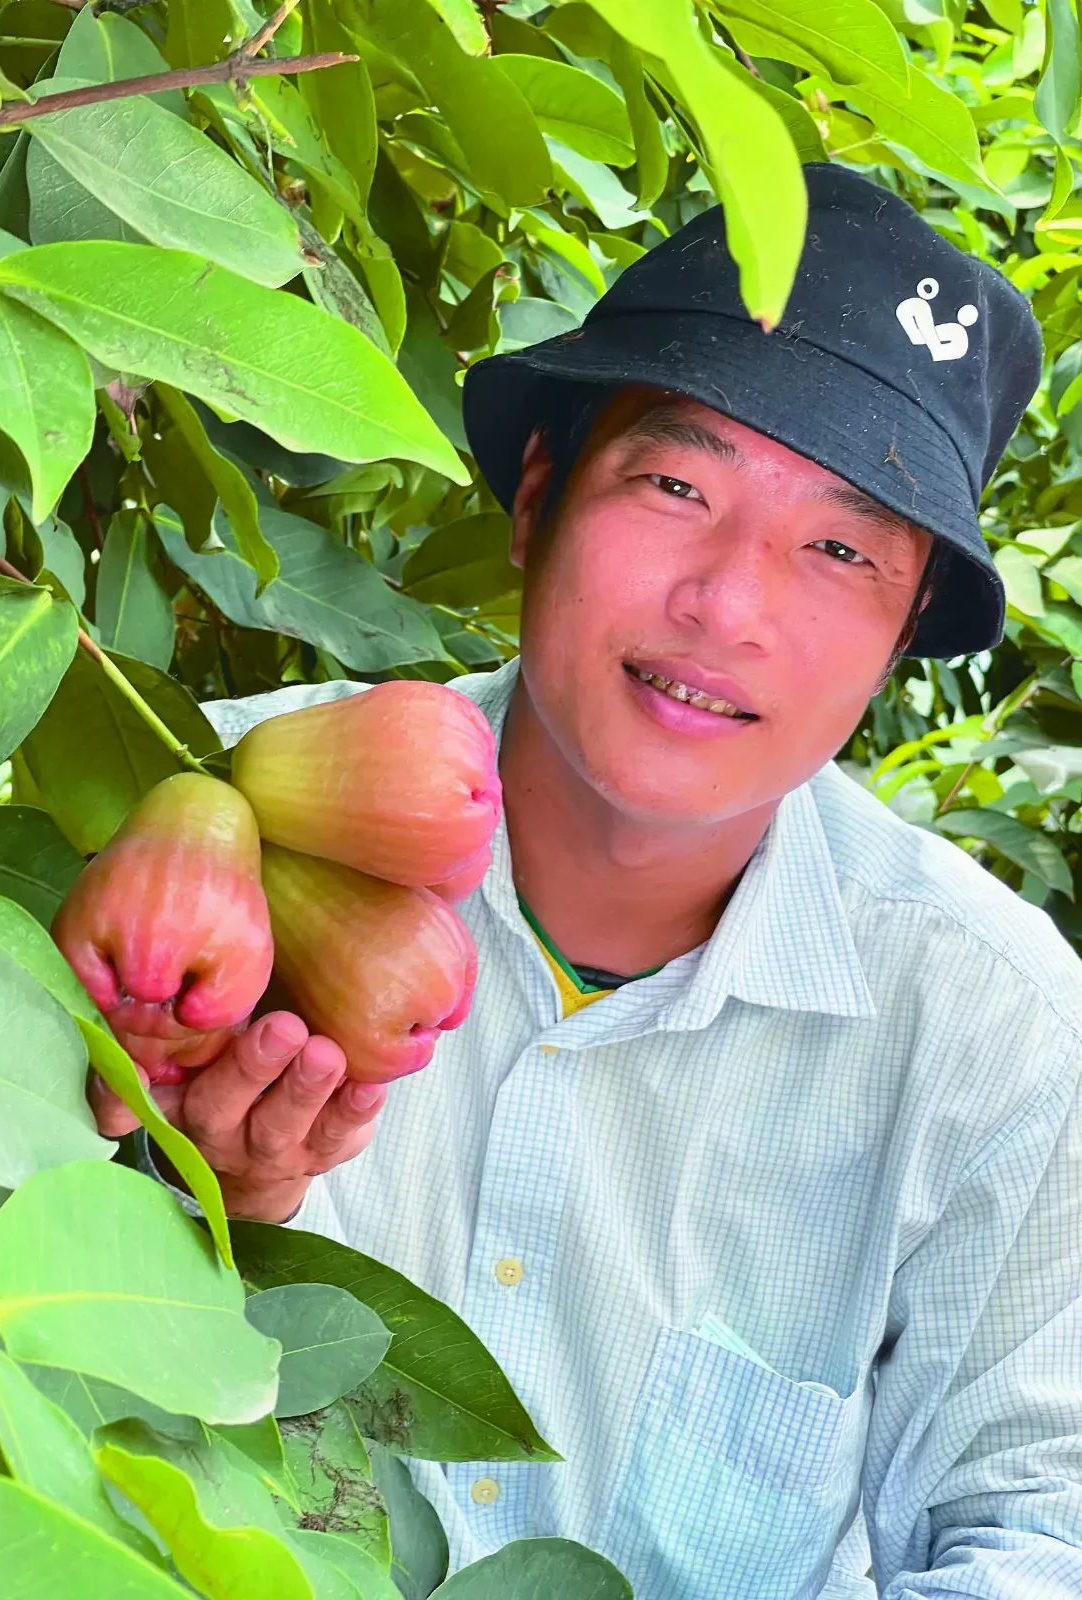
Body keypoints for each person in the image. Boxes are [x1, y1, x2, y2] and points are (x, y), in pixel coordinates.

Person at [93, 164, 1082, 1598]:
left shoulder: (992, 1030)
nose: (729, 603)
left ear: (901, 637)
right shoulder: (193, 813)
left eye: (837, 550)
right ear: (538, 494)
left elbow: (1036, 1537)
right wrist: (195, 1213)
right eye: (677, 483)